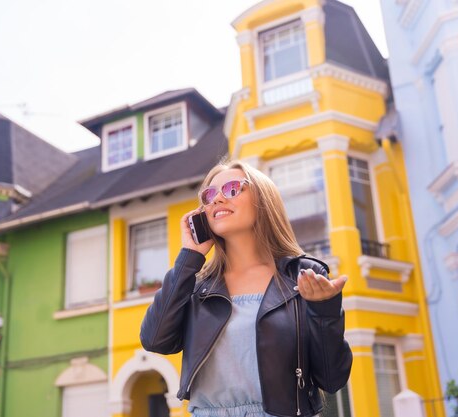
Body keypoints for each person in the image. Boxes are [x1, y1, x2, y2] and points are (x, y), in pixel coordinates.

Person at [140, 160, 352, 417]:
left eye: (231, 188)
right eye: (208, 195)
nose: (216, 198)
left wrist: (324, 311)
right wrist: (189, 257)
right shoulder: (196, 286)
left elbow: (331, 378)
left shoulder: (302, 276)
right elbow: (154, 340)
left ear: (263, 200)